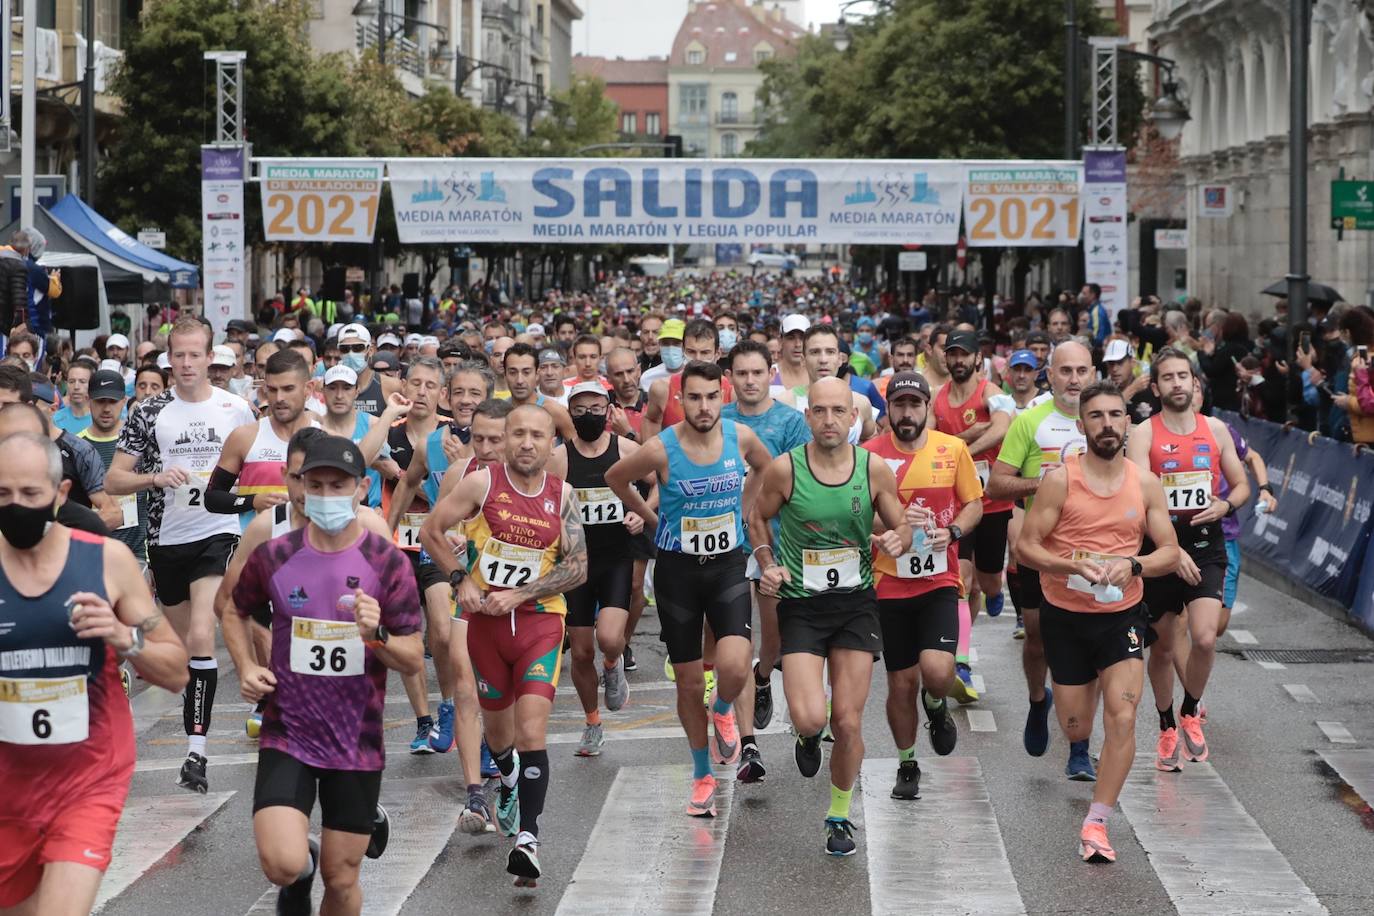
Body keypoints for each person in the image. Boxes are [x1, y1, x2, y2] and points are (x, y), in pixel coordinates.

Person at [225, 435, 424, 916]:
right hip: (288, 730)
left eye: (339, 486)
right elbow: (233, 610)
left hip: (356, 740)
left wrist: (375, 634)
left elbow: (414, 656)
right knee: (281, 862)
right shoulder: (276, 555)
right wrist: (248, 667)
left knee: (342, 878)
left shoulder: (386, 561)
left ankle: (319, 869)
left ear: (360, 489)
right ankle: (301, 869)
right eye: (317, 485)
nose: (327, 495)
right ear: (300, 488)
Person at [0, 431, 188, 915]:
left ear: (61, 494)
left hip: (86, 780)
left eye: (30, 494)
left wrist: (127, 638)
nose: (16, 506)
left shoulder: (106, 561)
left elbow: (175, 672)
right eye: (2, 494)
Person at [421, 404, 589, 886]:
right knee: (500, 737)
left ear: (551, 441)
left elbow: (578, 567)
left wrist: (523, 592)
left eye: (538, 435)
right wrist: (459, 580)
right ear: (506, 437)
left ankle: (529, 840)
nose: (527, 443)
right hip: (486, 629)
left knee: (532, 731)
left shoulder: (565, 496)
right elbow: (432, 531)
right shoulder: (482, 484)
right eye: (518, 434)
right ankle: (509, 779)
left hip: (540, 622)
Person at [1014, 381, 1180, 863]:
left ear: (1127, 421)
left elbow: (1169, 550)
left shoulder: (1143, 482)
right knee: (1076, 724)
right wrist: (1071, 567)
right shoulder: (1060, 480)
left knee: (1123, 715)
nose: (1107, 424)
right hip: (1065, 616)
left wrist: (1133, 565)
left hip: (1121, 615)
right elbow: (1027, 546)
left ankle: (1097, 821)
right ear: (1082, 424)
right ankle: (1044, 700)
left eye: (1115, 415)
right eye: (1097, 416)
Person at [605, 360, 773, 818]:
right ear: (682, 401)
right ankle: (701, 775)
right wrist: (653, 518)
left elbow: (765, 468)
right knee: (687, 681)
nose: (704, 406)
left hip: (726, 566)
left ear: (724, 396)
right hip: (678, 572)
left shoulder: (740, 438)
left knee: (736, 664)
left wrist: (744, 506)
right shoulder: (662, 448)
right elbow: (616, 478)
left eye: (711, 397)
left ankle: (723, 708)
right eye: (694, 397)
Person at [750, 377, 911, 856]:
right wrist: (766, 563)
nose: (829, 420)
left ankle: (838, 815)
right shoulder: (786, 470)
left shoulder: (874, 468)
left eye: (839, 411)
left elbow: (899, 522)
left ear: (855, 417)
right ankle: (806, 736)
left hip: (856, 604)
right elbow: (757, 517)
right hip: (801, 604)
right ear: (807, 418)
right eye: (819, 411)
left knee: (848, 721)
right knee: (808, 716)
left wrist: (899, 538)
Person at [106, 316, 257, 794]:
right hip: (167, 539)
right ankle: (188, 729)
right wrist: (154, 478)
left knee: (200, 633)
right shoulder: (149, 411)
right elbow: (114, 480)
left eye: (197, 354)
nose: (188, 363)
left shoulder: (237, 409)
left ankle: (197, 750)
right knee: (181, 651)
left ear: (211, 357)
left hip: (219, 531)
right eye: (180, 355)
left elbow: (261, 467)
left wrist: (251, 503)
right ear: (169, 359)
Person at [214, 428, 396, 737]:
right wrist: (251, 661)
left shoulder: (370, 528)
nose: (303, 491)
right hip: (289, 697)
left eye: (313, 481)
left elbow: (401, 617)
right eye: (297, 478)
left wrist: (374, 634)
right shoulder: (265, 527)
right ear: (285, 475)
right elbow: (225, 603)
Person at [1125, 347, 1249, 770]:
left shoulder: (1215, 429)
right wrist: (1169, 551)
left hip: (1205, 544)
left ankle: (1190, 710)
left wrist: (1225, 506)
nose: (1177, 383)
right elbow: (1137, 497)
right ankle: (1165, 725)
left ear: (1195, 383)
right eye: (1168, 377)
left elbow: (1241, 485)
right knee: (1160, 649)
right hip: (1159, 548)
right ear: (1156, 387)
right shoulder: (1143, 433)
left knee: (1204, 637)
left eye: (1184, 376)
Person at [863, 371, 983, 800]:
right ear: (888, 410)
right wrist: (893, 526)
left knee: (936, 673)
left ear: (928, 408)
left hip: (937, 579)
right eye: (900, 405)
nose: (907, 413)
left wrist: (952, 533)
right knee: (900, 684)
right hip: (888, 583)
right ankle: (907, 762)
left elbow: (973, 503)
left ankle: (937, 705)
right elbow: (855, 514)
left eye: (915, 405)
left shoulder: (953, 450)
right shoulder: (870, 456)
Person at [986, 341, 1095, 779]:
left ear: (1093, 373)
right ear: (1050, 375)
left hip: (1089, 553)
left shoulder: (1107, 422)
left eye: (1081, 370)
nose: (1073, 379)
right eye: (1065, 370)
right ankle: (1037, 700)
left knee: (1084, 648)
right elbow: (996, 486)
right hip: (1038, 549)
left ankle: (1080, 747)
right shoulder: (1029, 422)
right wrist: (1045, 485)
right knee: (1037, 638)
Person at [721, 339, 811, 782]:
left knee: (772, 644)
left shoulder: (791, 422)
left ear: (769, 372)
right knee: (732, 646)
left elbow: (806, 483)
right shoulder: (717, 421)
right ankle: (749, 747)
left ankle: (763, 676)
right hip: (723, 550)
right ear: (731, 377)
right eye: (741, 374)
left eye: (757, 373)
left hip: (776, 548)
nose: (750, 381)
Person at [548, 381, 648, 757]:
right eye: (580, 409)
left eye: (595, 408)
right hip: (575, 564)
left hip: (615, 557)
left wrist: (641, 511)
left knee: (609, 638)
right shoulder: (559, 458)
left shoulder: (626, 450)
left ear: (609, 410)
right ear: (569, 413)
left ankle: (614, 663)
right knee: (580, 652)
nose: (588, 416)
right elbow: (542, 500)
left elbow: (658, 482)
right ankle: (592, 722)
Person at [930, 329, 1016, 703]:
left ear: (978, 359)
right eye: (953, 354)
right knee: (961, 580)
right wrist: (964, 439)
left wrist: (961, 446)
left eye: (965, 354)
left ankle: (997, 588)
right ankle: (961, 661)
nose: (959, 360)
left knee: (987, 583)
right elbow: (928, 441)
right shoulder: (937, 399)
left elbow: (1000, 429)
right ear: (945, 359)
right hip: (959, 506)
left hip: (993, 503)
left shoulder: (992, 394)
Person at [205, 349, 318, 530]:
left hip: (308, 550)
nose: (279, 398)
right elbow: (212, 498)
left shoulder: (326, 438)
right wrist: (253, 501)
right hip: (255, 550)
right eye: (272, 389)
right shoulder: (244, 437)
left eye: (288, 389)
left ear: (308, 389)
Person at [78, 369, 146, 563]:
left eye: (112, 401)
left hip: (138, 554)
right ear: (88, 399)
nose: (106, 409)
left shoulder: (141, 443)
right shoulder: (75, 446)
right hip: (90, 554)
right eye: (100, 401)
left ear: (124, 401)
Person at [779, 326, 876, 443]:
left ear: (840, 359)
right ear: (803, 360)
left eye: (830, 352)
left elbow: (871, 440)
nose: (823, 359)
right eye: (815, 352)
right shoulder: (784, 403)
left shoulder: (861, 403)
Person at [642, 319, 734, 439]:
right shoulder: (662, 388)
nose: (697, 358)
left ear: (717, 354)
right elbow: (651, 420)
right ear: (683, 351)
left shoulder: (731, 392)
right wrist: (654, 455)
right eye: (691, 352)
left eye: (705, 352)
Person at [52, 362, 93, 435]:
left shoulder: (99, 419)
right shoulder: (56, 420)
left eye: (82, 382)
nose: (76, 387)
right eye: (71, 382)